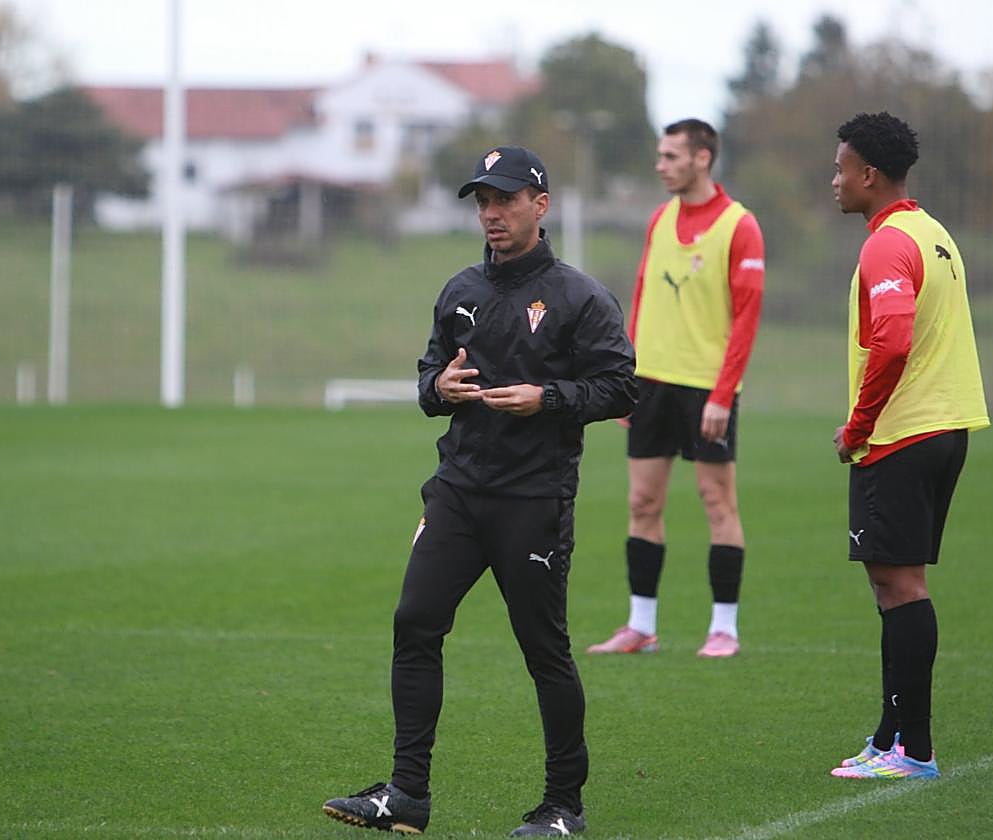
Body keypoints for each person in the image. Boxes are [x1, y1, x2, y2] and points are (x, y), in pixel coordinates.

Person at [321, 145, 637, 836]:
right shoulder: (459, 290)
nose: (492, 213)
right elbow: (427, 380)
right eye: (483, 201)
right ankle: (407, 794)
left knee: (543, 650)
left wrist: (546, 397)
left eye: (506, 199)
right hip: (458, 494)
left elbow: (621, 387)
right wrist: (439, 386)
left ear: (540, 205)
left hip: (533, 501)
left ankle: (564, 806)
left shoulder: (581, 297)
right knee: (414, 623)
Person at [825, 112, 989, 780]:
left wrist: (858, 426)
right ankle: (889, 736)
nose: (834, 180)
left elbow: (891, 342)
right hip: (945, 428)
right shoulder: (934, 233)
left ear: (869, 174)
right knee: (892, 583)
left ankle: (914, 751)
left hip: (903, 432)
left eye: (840, 169)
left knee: (900, 586)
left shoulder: (887, 244)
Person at [586, 119, 764, 659]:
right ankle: (641, 626)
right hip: (650, 384)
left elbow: (746, 318)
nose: (660, 165)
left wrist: (722, 394)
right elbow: (642, 297)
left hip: (707, 388)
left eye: (670, 156)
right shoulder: (660, 219)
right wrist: (625, 379)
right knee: (642, 502)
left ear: (701, 158)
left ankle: (724, 629)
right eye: (660, 155)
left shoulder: (740, 226)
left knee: (717, 502)